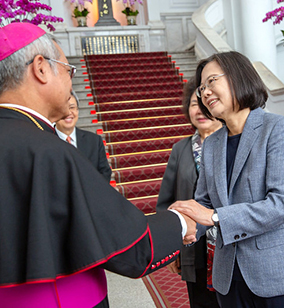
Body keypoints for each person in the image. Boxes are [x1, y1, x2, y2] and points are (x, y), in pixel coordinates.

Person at [0, 22, 196, 308]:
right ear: (40, 69)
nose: (70, 82)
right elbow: (132, 250)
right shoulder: (48, 151)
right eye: (68, 70)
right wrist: (182, 221)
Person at [170, 51, 284, 308]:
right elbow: (203, 202)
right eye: (201, 88)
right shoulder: (212, 144)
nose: (205, 93)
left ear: (238, 77)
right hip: (227, 278)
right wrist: (181, 226)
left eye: (212, 81)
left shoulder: (276, 129)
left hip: (273, 276)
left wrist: (215, 217)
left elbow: (280, 203)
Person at [156, 78, 221, 308]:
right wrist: (171, 249)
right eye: (194, 104)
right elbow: (165, 202)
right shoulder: (180, 149)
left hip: (228, 246)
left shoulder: (233, 144)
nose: (200, 110)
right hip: (194, 247)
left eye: (204, 104)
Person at [56, 90, 112, 182]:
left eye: (72, 107)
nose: (68, 112)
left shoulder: (94, 141)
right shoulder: (46, 142)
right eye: (63, 108)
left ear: (77, 111)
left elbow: (105, 173)